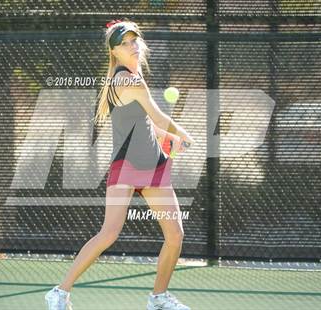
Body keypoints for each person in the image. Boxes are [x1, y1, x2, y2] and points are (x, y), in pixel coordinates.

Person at [45, 19, 195, 310]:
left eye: (134, 39)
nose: (132, 45)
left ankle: (158, 298)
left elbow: (143, 124)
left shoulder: (130, 77)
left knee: (175, 235)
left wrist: (167, 138)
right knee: (109, 233)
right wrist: (185, 135)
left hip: (154, 166)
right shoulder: (128, 79)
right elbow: (158, 117)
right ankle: (60, 293)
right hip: (127, 167)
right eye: (125, 43)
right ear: (114, 52)